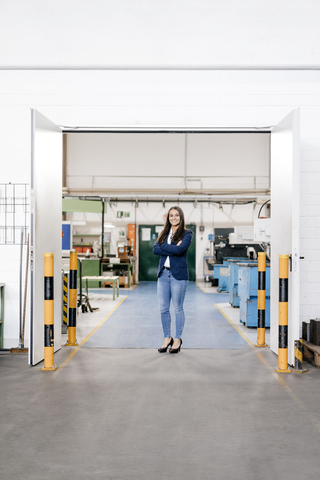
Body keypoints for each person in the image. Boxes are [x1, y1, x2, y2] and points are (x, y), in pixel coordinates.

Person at [153, 206, 193, 354]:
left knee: (177, 308)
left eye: (176, 215)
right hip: (163, 275)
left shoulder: (187, 233)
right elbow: (155, 249)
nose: (174, 218)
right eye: (171, 215)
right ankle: (166, 337)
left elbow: (179, 250)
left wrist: (164, 246)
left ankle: (177, 339)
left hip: (178, 276)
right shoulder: (164, 232)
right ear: (168, 218)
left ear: (181, 217)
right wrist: (171, 247)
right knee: (163, 308)